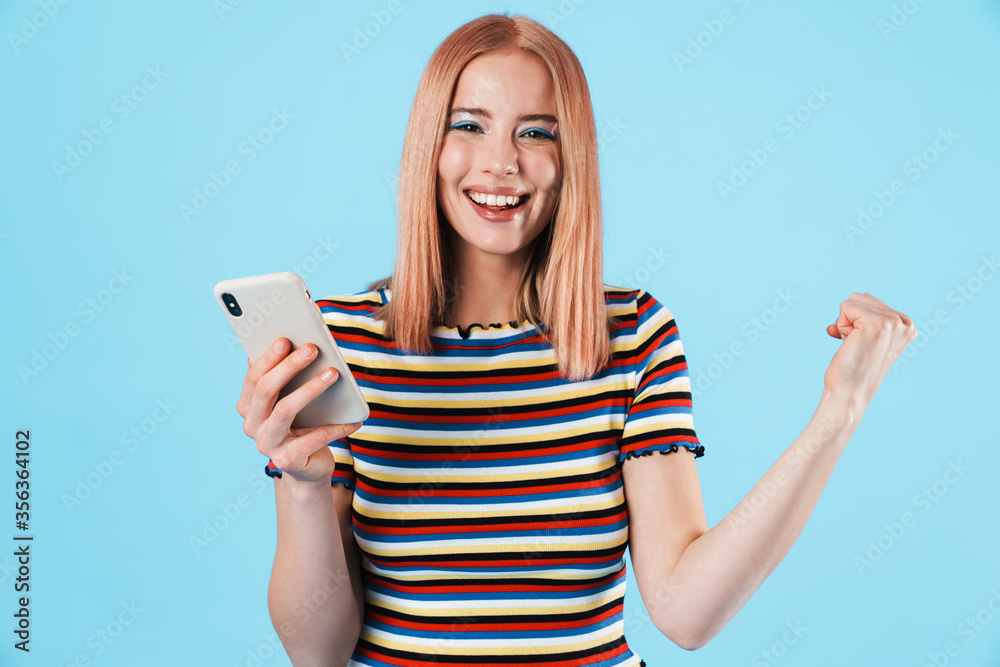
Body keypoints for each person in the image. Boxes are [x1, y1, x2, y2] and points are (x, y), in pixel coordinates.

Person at [235, 13, 917, 667]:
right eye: (469, 125)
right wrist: (301, 482)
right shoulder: (340, 342)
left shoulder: (635, 336)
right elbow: (315, 651)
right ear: (427, 146)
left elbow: (686, 611)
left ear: (571, 159)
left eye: (536, 133)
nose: (501, 163)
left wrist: (840, 409)